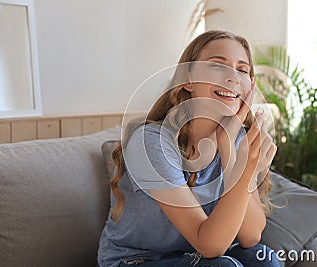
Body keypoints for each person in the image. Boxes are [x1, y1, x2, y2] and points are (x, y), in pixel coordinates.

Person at [97, 30, 280, 267]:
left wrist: (233, 157)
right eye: (217, 65)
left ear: (250, 86)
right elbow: (211, 246)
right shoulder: (151, 142)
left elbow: (251, 237)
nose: (233, 77)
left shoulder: (236, 140)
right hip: (137, 261)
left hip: (197, 259)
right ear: (188, 79)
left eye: (242, 70)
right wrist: (245, 171)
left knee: (262, 258)